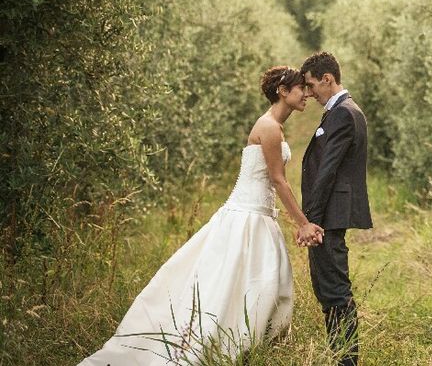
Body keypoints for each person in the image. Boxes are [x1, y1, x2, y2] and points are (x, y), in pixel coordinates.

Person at [80, 66, 323, 366]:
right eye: (302, 88)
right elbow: (278, 180)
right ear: (283, 91)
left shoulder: (275, 125)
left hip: (258, 214)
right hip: (247, 216)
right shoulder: (270, 127)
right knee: (239, 283)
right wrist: (303, 223)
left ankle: (253, 346)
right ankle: (226, 344)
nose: (307, 95)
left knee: (267, 279)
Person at [299, 52, 372, 366]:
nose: (310, 92)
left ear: (327, 79)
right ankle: (341, 356)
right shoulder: (341, 111)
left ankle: (346, 361)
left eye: (312, 85)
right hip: (329, 213)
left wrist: (310, 222)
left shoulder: (343, 112)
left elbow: (327, 171)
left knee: (335, 291)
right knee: (328, 289)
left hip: (328, 214)